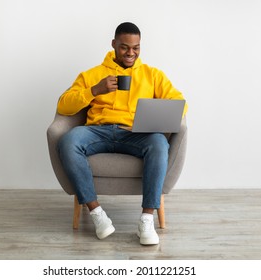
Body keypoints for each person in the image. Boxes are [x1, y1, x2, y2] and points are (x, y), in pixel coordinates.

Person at [57, 22, 187, 245]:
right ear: (114, 44)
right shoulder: (93, 74)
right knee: (68, 141)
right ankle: (97, 213)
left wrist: (151, 118)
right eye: (125, 47)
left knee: (158, 143)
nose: (131, 53)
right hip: (98, 131)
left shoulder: (152, 75)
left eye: (136, 48)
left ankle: (146, 219)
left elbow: (180, 104)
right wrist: (94, 91)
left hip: (134, 134)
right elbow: (63, 106)